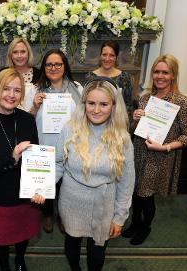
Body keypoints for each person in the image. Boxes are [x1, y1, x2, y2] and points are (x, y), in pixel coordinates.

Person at [55, 79, 135, 271]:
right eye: (91, 103)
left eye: (104, 104)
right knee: (72, 244)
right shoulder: (69, 128)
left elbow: (127, 181)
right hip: (71, 202)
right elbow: (58, 164)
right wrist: (41, 186)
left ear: (114, 106)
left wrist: (119, 217)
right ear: (84, 104)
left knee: (97, 252)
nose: (96, 110)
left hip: (104, 203)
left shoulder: (122, 138)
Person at [0, 68, 45, 271]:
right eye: (6, 89)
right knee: (0, 241)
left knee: (23, 235)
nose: (11, 95)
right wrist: (12, 159)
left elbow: (36, 160)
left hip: (24, 195)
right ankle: (4, 266)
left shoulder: (27, 120)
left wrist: (39, 187)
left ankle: (20, 260)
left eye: (17, 90)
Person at [123, 54, 187, 245]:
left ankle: (145, 227)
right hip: (139, 152)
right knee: (134, 192)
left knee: (146, 195)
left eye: (165, 72)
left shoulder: (183, 102)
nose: (160, 76)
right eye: (156, 71)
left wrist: (165, 147)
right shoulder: (146, 98)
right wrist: (135, 118)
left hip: (160, 156)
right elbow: (134, 130)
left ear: (173, 75)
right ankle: (135, 222)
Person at [30, 48, 83, 233]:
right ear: (44, 67)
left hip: (70, 146)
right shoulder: (35, 89)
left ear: (64, 66)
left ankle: (62, 215)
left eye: (57, 64)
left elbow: (84, 117)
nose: (53, 67)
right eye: (49, 64)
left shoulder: (77, 88)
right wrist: (34, 106)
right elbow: (27, 119)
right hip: (44, 144)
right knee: (47, 182)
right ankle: (47, 215)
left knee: (66, 185)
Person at [86, 40, 134, 115]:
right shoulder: (90, 77)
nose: (107, 58)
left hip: (118, 121)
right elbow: (87, 103)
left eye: (112, 55)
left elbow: (128, 105)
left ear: (116, 58)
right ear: (100, 56)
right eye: (104, 54)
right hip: (95, 117)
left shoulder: (125, 77)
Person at [0, 37, 40, 111]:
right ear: (10, 55)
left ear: (28, 53)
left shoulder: (39, 74)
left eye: (23, 52)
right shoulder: (3, 73)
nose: (19, 56)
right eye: (15, 52)